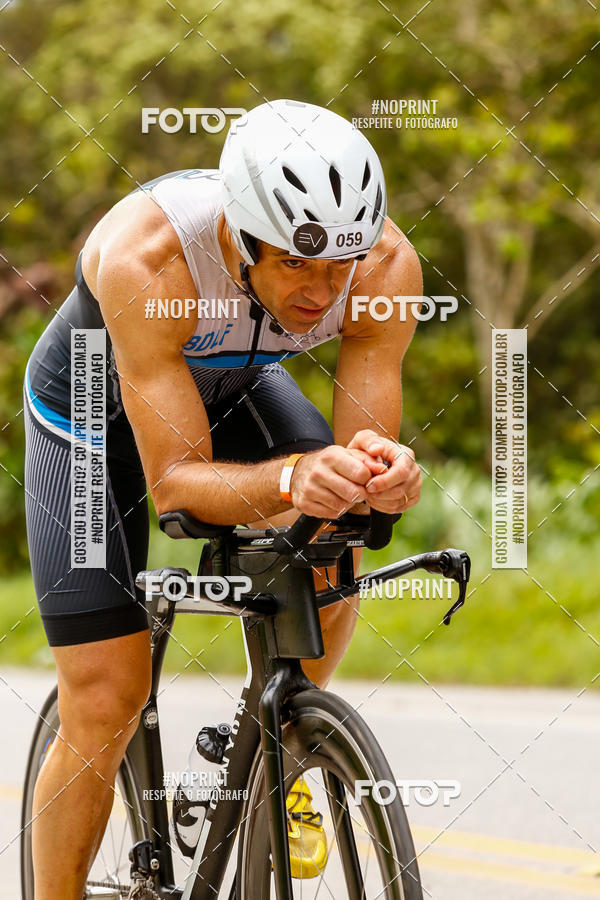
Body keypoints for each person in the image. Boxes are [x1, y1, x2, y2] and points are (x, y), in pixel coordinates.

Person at [23, 98, 423, 897]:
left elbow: (362, 451)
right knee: (105, 699)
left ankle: (289, 742)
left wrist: (383, 475)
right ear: (239, 237)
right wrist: (286, 480)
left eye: (339, 266)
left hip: (236, 388)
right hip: (90, 414)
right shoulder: (150, 256)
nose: (322, 292)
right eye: (296, 265)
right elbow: (178, 483)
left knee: (334, 523)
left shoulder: (382, 266)